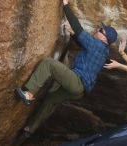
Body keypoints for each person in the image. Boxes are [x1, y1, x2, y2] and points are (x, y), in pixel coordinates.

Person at [14, 0, 117, 134]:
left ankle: (28, 94)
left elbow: (78, 27)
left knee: (48, 64)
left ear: (105, 39)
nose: (98, 29)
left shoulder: (97, 45)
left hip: (77, 82)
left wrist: (66, 5)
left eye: (101, 30)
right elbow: (84, 46)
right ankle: (30, 129)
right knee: (51, 100)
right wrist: (73, 34)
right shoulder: (102, 51)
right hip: (79, 91)